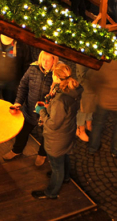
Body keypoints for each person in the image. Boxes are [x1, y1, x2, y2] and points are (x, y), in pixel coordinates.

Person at [31, 62, 82, 200]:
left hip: (57, 138)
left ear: (57, 77)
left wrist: (41, 111)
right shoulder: (73, 89)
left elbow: (53, 124)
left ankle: (51, 192)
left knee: (56, 166)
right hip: (67, 132)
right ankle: (65, 177)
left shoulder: (60, 100)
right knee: (64, 156)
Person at [4, 51, 55, 165]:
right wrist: (18, 102)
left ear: (54, 60)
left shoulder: (57, 74)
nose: (45, 63)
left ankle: (42, 154)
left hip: (47, 114)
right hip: (29, 109)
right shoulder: (33, 69)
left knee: (46, 136)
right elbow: (23, 87)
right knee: (23, 133)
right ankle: (16, 150)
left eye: (48, 60)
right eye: (43, 59)